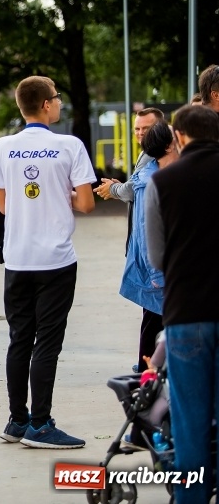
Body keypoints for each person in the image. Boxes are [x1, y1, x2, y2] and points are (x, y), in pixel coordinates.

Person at [0, 76, 95, 449]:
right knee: (47, 342)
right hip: (55, 260)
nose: (60, 103)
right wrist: (62, 194)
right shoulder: (69, 145)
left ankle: (17, 420)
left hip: (17, 258)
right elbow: (86, 204)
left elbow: (3, 205)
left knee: (19, 339)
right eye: (57, 98)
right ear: (47, 104)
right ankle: (41, 424)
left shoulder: (2, 147)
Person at [145, 104, 219, 504]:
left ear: (179, 136)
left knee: (190, 421)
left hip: (186, 313)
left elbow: (157, 257)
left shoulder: (162, 182)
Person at [117, 121, 178, 372]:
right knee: (155, 331)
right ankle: (147, 384)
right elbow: (145, 233)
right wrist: (157, 276)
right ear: (169, 146)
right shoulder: (150, 182)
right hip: (158, 277)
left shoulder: (163, 176)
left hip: (164, 273)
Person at [93, 107, 164, 202]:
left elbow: (130, 191)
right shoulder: (150, 151)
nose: (140, 133)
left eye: (146, 128)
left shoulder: (152, 153)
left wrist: (112, 188)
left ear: (160, 128)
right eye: (137, 129)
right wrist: (120, 188)